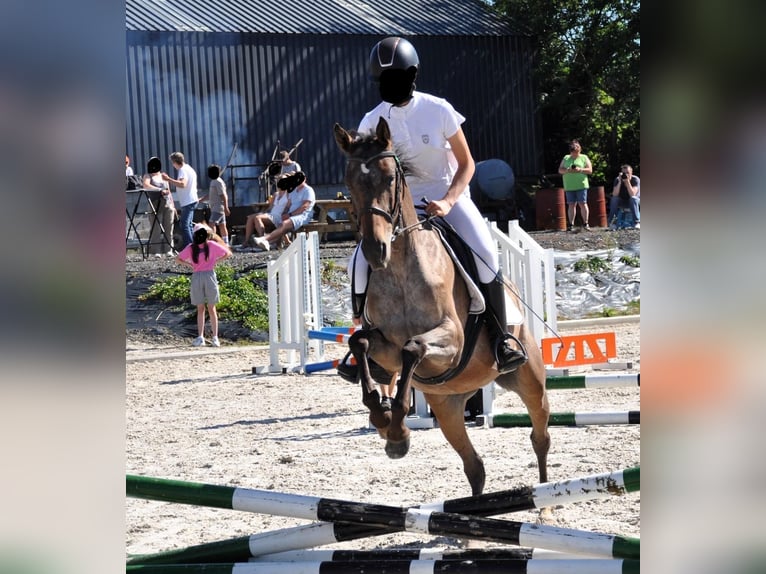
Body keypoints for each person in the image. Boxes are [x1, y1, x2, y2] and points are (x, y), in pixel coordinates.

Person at [345, 36, 526, 376]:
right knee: (359, 260)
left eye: (396, 79)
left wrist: (448, 200)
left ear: (412, 75)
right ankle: (367, 343)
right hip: (400, 208)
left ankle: (502, 340)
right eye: (384, 81)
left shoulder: (438, 109)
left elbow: (467, 163)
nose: (390, 86)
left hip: (446, 196)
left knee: (485, 253)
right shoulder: (372, 119)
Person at [175, 223, 232, 347]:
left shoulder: (202, 246)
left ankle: (210, 337)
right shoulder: (196, 247)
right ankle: (206, 337)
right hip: (206, 275)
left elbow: (178, 259)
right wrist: (215, 262)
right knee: (207, 308)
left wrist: (191, 265)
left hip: (201, 275)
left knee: (206, 308)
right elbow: (227, 253)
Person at [252, 171, 315, 251]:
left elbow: (305, 207)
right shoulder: (294, 191)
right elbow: (288, 205)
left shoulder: (308, 190)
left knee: (285, 223)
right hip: (291, 215)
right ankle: (270, 243)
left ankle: (264, 239)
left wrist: (290, 214)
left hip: (302, 215)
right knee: (280, 222)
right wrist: (284, 213)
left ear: (304, 179)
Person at [240, 174, 292, 249]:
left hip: (279, 216)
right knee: (251, 217)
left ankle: (263, 240)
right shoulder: (276, 194)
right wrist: (263, 212)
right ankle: (246, 241)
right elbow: (270, 207)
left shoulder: (288, 194)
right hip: (271, 214)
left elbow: (288, 207)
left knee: (257, 218)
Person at [162, 152, 198, 249]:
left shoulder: (183, 170)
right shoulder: (189, 168)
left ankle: (189, 247)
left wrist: (168, 179)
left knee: (184, 224)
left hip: (188, 201)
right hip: (191, 199)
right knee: (188, 224)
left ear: (174, 162)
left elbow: (183, 184)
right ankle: (192, 245)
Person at [142, 156, 176, 257]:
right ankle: (156, 251)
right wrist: (159, 190)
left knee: (169, 227)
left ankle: (169, 250)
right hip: (155, 203)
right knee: (156, 228)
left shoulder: (163, 175)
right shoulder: (147, 176)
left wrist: (173, 205)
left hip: (167, 203)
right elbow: (146, 185)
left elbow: (169, 191)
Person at [558, 139, 593, 231]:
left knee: (583, 203)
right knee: (571, 204)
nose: (575, 154)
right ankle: (571, 224)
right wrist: (568, 170)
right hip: (569, 185)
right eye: (574, 153)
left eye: (577, 152)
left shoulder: (584, 157)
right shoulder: (566, 158)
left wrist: (580, 170)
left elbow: (590, 170)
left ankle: (586, 223)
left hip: (581, 185)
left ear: (580, 150)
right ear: (571, 152)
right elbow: (560, 170)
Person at [198, 164, 231, 245]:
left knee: (211, 224)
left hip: (218, 208)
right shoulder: (214, 181)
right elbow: (211, 194)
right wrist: (202, 199)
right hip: (216, 207)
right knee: (222, 225)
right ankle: (226, 243)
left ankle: (213, 242)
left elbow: (223, 195)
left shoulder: (218, 182)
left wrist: (226, 208)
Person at [608, 164, 640, 229]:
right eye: (624, 173)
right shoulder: (617, 179)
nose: (626, 175)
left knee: (633, 198)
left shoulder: (635, 179)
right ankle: (612, 222)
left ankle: (636, 222)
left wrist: (627, 183)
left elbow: (632, 194)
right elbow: (615, 194)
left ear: (631, 172)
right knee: (614, 199)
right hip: (622, 201)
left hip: (635, 202)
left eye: (628, 173)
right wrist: (619, 182)